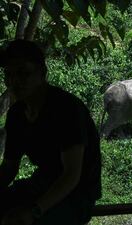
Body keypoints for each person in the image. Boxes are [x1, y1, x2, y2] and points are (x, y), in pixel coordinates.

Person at [0, 39, 101, 225]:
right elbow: (9, 168)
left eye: (23, 73)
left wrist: (34, 211)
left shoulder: (66, 109)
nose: (14, 81)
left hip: (77, 194)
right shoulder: (16, 114)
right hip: (42, 184)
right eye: (8, 74)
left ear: (42, 74)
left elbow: (71, 174)